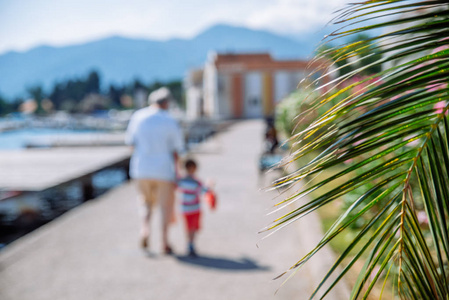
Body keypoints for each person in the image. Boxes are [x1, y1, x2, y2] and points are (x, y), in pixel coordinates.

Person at [125, 87, 184, 254]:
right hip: (164, 170)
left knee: (144, 202)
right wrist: (178, 172)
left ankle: (145, 229)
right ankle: (164, 242)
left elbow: (130, 143)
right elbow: (177, 149)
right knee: (165, 206)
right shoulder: (170, 120)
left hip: (141, 168)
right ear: (166, 103)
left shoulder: (138, 116)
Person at [177, 158, 214, 257]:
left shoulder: (181, 181)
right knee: (194, 227)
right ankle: (191, 244)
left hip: (184, 209)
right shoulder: (196, 182)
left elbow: (176, 184)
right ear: (195, 169)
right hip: (195, 209)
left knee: (188, 227)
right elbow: (204, 191)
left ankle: (189, 243)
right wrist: (210, 185)